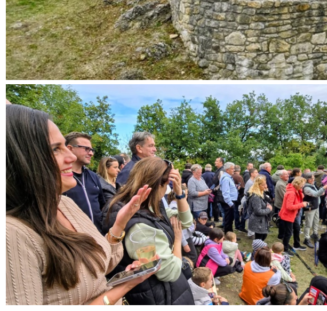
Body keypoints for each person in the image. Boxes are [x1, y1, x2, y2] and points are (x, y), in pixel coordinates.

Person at [5, 104, 160, 305]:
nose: (70, 157)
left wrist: (120, 223)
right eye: (56, 149)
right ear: (21, 158)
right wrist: (119, 290)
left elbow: (100, 264)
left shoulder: (65, 204)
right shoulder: (12, 235)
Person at [102, 156, 195, 304]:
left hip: (162, 292)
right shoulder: (141, 228)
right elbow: (171, 272)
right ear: (160, 184)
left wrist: (179, 194)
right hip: (157, 296)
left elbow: (186, 221)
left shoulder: (146, 204)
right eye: (167, 185)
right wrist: (177, 241)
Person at [63, 132, 108, 232]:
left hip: (97, 236)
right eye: (86, 149)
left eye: (91, 150)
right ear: (70, 148)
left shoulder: (93, 176)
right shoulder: (59, 177)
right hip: (73, 239)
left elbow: (102, 205)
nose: (91, 153)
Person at [279, 176, 308, 254]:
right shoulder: (291, 193)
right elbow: (289, 206)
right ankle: (284, 249)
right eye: (302, 185)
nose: (303, 186)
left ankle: (296, 244)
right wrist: (302, 204)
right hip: (288, 215)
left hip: (293, 214)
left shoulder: (296, 190)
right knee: (288, 233)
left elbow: (299, 199)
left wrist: (300, 193)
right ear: (297, 184)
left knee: (297, 228)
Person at [246, 175, 274, 242]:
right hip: (258, 222)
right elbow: (258, 211)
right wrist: (269, 209)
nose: (265, 186)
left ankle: (259, 251)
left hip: (261, 221)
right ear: (257, 185)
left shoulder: (261, 193)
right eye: (263, 185)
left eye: (265, 184)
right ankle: (257, 252)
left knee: (263, 236)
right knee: (259, 239)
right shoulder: (256, 197)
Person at [301, 171, 324, 248]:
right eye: (312, 178)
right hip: (310, 207)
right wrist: (324, 188)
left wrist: (320, 192)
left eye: (314, 178)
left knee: (316, 221)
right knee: (308, 224)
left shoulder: (312, 185)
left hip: (316, 206)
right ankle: (306, 238)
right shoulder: (307, 187)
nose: (314, 180)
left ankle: (315, 233)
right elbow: (315, 194)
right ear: (308, 179)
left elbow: (317, 193)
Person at [219, 163, 238, 234]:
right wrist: (230, 203)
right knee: (228, 219)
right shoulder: (226, 179)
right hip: (229, 202)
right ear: (227, 170)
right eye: (232, 169)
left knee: (230, 219)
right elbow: (225, 192)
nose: (234, 170)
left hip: (230, 201)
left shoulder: (228, 177)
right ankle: (228, 235)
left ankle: (230, 234)